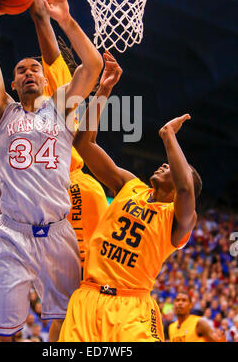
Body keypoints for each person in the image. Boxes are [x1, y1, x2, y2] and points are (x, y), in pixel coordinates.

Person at [0, 0, 103, 342]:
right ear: (13, 84)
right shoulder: (1, 110)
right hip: (12, 235)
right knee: (1, 335)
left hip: (59, 232)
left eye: (34, 68)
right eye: (20, 70)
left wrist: (64, 19)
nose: (29, 72)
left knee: (64, 330)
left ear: (46, 82)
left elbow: (91, 66)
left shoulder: (61, 107)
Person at [59, 52, 202, 342]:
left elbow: (186, 189)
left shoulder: (178, 221)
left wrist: (168, 136)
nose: (165, 163)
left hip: (131, 307)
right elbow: (84, 144)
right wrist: (104, 91)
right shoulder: (130, 185)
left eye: (175, 167)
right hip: (87, 297)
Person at [0, 0, 109, 275]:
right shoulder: (12, 110)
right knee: (58, 295)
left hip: (70, 186)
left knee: (88, 279)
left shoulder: (59, 90)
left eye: (37, 66)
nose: (34, 69)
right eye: (23, 69)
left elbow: (41, 21)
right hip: (42, 196)